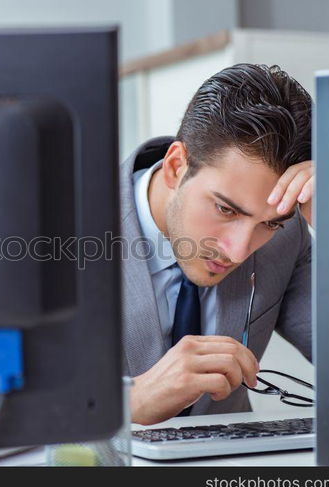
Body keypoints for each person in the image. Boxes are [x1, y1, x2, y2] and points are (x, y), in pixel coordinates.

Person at [121, 63, 313, 425]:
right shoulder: (59, 229)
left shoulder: (287, 237)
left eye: (269, 223)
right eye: (225, 209)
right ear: (177, 166)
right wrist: (126, 405)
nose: (239, 251)